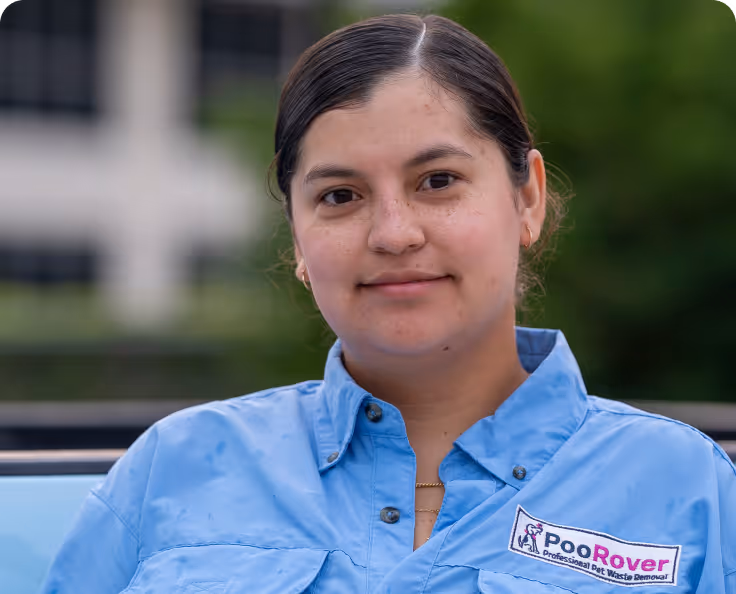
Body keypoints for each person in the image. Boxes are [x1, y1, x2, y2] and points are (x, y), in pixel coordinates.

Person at [42, 14, 735, 594]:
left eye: (437, 181)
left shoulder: (692, 494)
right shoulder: (176, 467)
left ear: (527, 197)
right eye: (339, 196)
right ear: (298, 240)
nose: (394, 234)